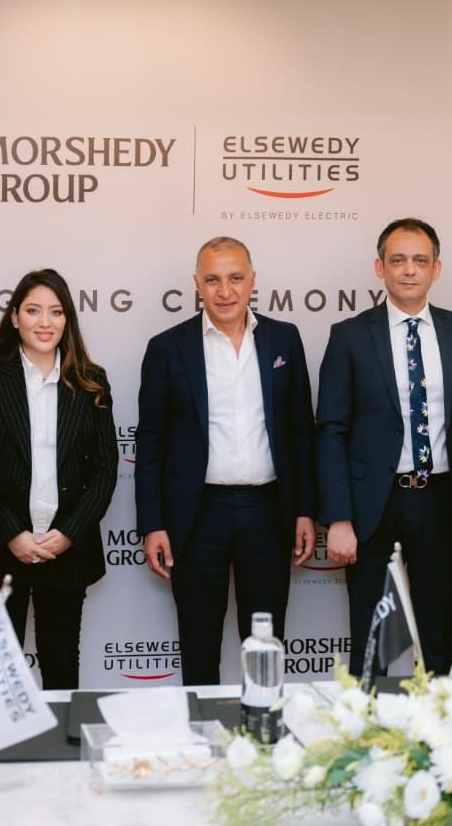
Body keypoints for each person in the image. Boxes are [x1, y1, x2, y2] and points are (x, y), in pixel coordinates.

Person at [315, 218, 452, 677]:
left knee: (437, 642)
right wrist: (338, 518)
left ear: (436, 269)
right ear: (380, 267)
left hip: (440, 503)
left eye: (420, 260)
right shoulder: (349, 335)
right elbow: (331, 431)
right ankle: (365, 722)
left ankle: (433, 723)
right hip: (371, 508)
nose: (409, 270)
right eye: (398, 260)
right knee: (369, 645)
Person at [136, 236, 315, 685]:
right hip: (197, 515)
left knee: (264, 648)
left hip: (268, 512)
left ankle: (263, 727)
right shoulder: (167, 348)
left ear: (252, 280)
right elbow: (151, 441)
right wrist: (152, 523)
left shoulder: (284, 339)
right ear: (196, 284)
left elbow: (301, 432)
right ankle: (202, 728)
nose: (225, 290)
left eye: (235, 278)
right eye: (213, 279)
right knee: (199, 646)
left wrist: (306, 511)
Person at [0, 269, 118, 690]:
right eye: (34, 310)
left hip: (66, 550)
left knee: (62, 666)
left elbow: (105, 469)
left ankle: (62, 739)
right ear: (15, 317)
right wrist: (12, 533)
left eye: (56, 312)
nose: (45, 322)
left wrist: (69, 533)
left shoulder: (91, 380)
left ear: (67, 319)